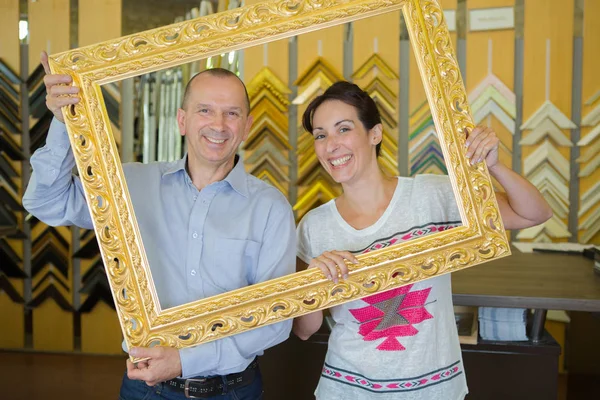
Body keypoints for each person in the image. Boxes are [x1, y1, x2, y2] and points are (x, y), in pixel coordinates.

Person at [23, 52, 296, 400]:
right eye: (205, 110)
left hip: (233, 391)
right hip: (145, 390)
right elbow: (46, 201)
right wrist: (64, 123)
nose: (219, 124)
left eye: (232, 113)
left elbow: (275, 320)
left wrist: (184, 360)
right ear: (182, 120)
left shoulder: (271, 208)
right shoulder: (131, 186)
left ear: (247, 125)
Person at [293, 81, 553, 400]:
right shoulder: (314, 226)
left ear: (375, 133)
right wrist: (312, 283)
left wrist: (495, 166)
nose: (331, 145)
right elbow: (304, 331)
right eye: (320, 135)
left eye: (343, 129)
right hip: (347, 390)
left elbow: (532, 214)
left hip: (435, 390)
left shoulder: (431, 196)